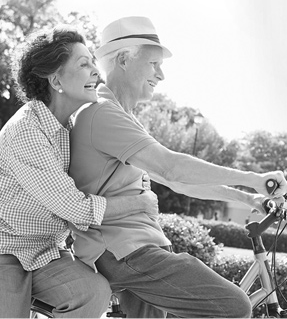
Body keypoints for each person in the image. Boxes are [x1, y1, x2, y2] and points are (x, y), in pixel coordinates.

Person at [69, 16, 287, 318]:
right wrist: (253, 178)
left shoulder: (123, 117)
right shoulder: (103, 114)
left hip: (135, 248)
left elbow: (178, 181)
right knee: (233, 306)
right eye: (153, 64)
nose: (161, 75)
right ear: (122, 59)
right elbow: (171, 167)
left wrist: (247, 198)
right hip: (125, 251)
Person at [0, 25, 158, 319]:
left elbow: (104, 175)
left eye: (93, 63)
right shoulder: (26, 131)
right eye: (84, 64)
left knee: (94, 293)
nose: (95, 72)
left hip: (48, 250)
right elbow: (76, 208)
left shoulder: (71, 127)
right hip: (5, 249)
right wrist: (141, 203)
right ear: (56, 79)